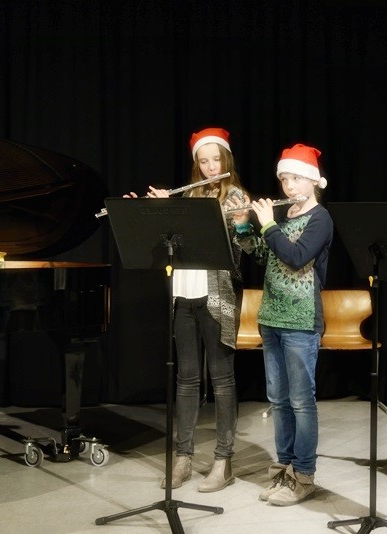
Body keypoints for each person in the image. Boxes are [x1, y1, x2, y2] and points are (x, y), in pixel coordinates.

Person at [125, 127, 245, 492]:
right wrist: (152, 211)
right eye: (204, 161)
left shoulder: (236, 196)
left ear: (226, 160)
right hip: (184, 296)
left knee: (222, 380)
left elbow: (239, 252)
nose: (211, 167)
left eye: (216, 160)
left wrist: (239, 223)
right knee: (187, 379)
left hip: (217, 297)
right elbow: (162, 243)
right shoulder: (189, 195)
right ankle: (183, 457)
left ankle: (223, 461)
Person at [226, 143, 333, 506]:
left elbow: (296, 256)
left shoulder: (320, 219)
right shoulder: (284, 216)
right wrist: (243, 224)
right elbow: (264, 254)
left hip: (301, 321)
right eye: (285, 179)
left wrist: (268, 223)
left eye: (296, 179)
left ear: (313, 181)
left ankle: (303, 475)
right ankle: (284, 468)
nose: (288, 186)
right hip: (271, 317)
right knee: (279, 400)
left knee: (301, 402)